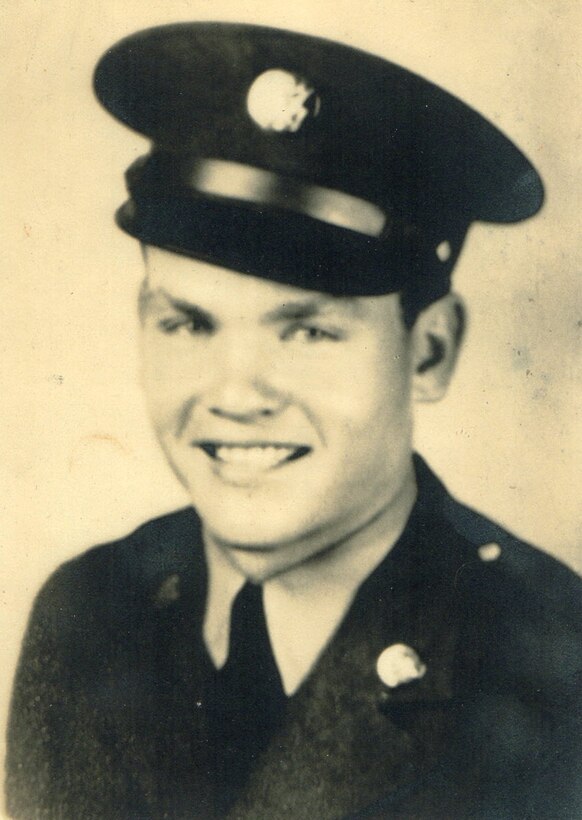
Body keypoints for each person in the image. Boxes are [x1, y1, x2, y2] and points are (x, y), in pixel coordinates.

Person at [5, 22, 582, 819]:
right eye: (189, 324)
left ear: (430, 352)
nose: (237, 394)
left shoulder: (550, 662)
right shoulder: (90, 614)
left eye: (307, 331)